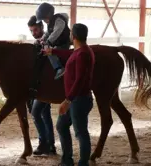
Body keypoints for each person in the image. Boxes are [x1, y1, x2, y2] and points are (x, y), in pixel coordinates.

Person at [43, 23, 95, 166]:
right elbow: (70, 54)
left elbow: (79, 80)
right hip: (75, 99)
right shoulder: (81, 51)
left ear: (74, 36)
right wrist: (53, 52)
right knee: (61, 126)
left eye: (71, 33)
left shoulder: (83, 54)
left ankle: (83, 163)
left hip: (78, 100)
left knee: (81, 132)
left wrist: (67, 100)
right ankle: (67, 160)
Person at [27, 15, 57, 156]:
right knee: (45, 114)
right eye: (32, 30)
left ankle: (43, 143)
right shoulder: (37, 43)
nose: (34, 33)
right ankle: (50, 145)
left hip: (46, 85)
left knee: (36, 112)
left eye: (36, 29)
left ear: (42, 28)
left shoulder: (47, 41)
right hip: (42, 85)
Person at [35, 2, 71, 80]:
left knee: (49, 51)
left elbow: (57, 32)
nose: (44, 21)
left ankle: (59, 68)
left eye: (44, 18)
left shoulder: (59, 21)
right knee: (45, 48)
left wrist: (48, 41)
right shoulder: (50, 23)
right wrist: (42, 39)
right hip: (57, 43)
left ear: (49, 15)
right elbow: (48, 32)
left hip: (63, 44)